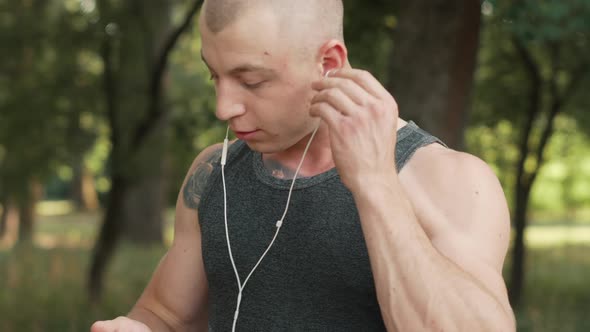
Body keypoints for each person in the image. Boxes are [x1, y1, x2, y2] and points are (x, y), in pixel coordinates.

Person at [91, 0, 516, 331]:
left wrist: (375, 183)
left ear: (328, 63)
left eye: (251, 81)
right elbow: (167, 315)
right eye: (214, 76)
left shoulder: (452, 179)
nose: (224, 106)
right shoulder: (212, 174)